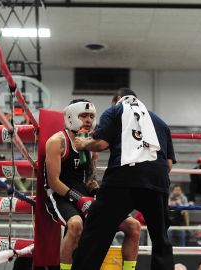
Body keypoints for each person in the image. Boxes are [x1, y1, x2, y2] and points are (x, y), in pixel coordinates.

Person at [73, 88, 176, 270]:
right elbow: (168, 165)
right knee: (160, 239)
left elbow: (101, 143)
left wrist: (83, 144)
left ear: (118, 99)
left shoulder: (115, 110)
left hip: (123, 179)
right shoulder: (160, 122)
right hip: (157, 181)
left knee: (97, 231)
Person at [45, 99, 141, 270]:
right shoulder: (57, 142)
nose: (88, 120)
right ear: (71, 116)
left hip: (83, 195)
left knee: (133, 226)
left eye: (91, 116)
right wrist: (79, 199)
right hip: (59, 195)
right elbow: (54, 181)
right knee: (75, 224)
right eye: (83, 115)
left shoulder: (90, 144)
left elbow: (90, 179)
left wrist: (98, 193)